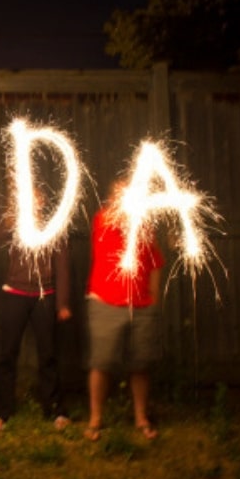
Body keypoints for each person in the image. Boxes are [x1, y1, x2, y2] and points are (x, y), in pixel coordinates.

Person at [84, 180, 164, 441]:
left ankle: (141, 418)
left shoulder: (145, 226)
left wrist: (153, 299)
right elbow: (115, 221)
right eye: (121, 193)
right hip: (106, 301)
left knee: (140, 364)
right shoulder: (103, 219)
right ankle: (95, 419)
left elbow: (154, 262)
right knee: (102, 363)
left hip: (141, 305)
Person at [0, 208, 72, 432]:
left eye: (37, 198)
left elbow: (62, 264)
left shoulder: (54, 224)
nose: (33, 202)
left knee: (48, 354)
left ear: (43, 201)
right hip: (14, 292)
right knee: (7, 353)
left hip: (45, 294)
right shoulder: (15, 221)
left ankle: (55, 409)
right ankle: (1, 411)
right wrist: (9, 217)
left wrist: (62, 303)